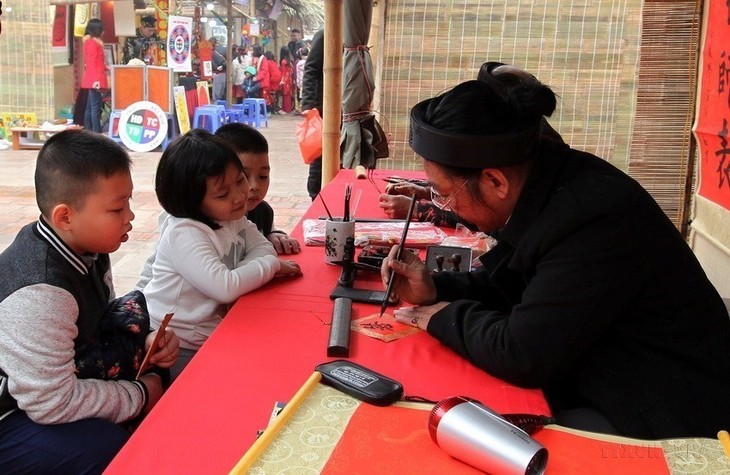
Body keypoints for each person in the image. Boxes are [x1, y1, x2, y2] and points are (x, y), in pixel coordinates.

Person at [383, 67, 730, 439]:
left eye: (443, 193)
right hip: (601, 370)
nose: (443, 205)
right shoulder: (549, 184)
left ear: (495, 181)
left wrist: (441, 316)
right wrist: (436, 288)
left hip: (665, 407)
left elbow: (522, 354)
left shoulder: (593, 216)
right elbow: (519, 285)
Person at [0, 130, 179, 472]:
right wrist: (139, 396)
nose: (130, 217)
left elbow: (99, 323)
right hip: (11, 412)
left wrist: (147, 340)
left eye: (128, 202)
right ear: (65, 217)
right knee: (104, 446)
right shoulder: (41, 291)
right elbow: (50, 402)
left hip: (45, 385)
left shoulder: (85, 246)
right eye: (116, 208)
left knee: (157, 367)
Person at [141, 130, 303, 379]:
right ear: (191, 200)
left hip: (211, 332)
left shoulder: (230, 216)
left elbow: (262, 246)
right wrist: (270, 266)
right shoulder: (185, 232)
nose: (240, 195)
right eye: (222, 193)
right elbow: (225, 287)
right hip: (175, 345)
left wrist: (256, 264)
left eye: (239, 181)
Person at [301, 29, 324, 199]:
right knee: (320, 155)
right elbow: (311, 69)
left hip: (349, 111)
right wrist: (308, 105)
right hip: (323, 108)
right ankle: (315, 196)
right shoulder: (326, 33)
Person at [81, 18, 108, 133]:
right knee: (95, 108)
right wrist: (96, 80)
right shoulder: (93, 43)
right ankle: (96, 133)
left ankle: (88, 131)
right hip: (95, 79)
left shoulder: (89, 42)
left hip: (92, 78)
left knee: (90, 107)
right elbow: (92, 63)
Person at [278, 47, 294, 113]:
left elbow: (284, 72)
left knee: (285, 94)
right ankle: (286, 109)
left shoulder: (283, 61)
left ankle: (286, 109)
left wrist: (282, 80)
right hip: (289, 79)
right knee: (288, 94)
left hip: (285, 79)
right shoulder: (289, 61)